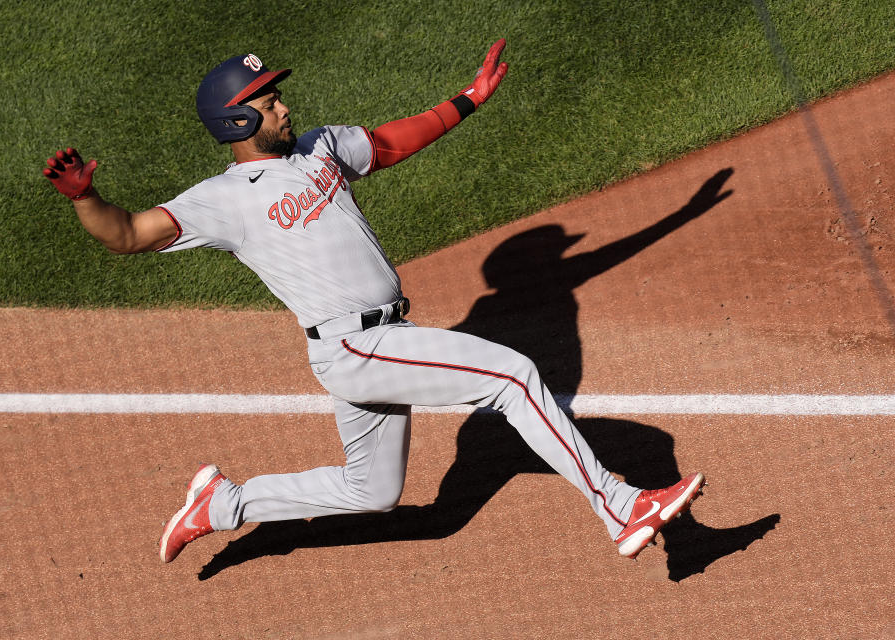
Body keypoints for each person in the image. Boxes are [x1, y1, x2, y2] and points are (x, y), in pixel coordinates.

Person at [43, 39, 704, 565]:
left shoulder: (320, 147)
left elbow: (388, 143)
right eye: (268, 100)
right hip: (355, 345)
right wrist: (85, 201)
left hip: (374, 342)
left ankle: (222, 505)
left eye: (276, 96)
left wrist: (466, 101)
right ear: (238, 118)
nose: (282, 107)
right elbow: (128, 234)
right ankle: (621, 507)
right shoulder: (222, 200)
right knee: (514, 375)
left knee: (373, 490)